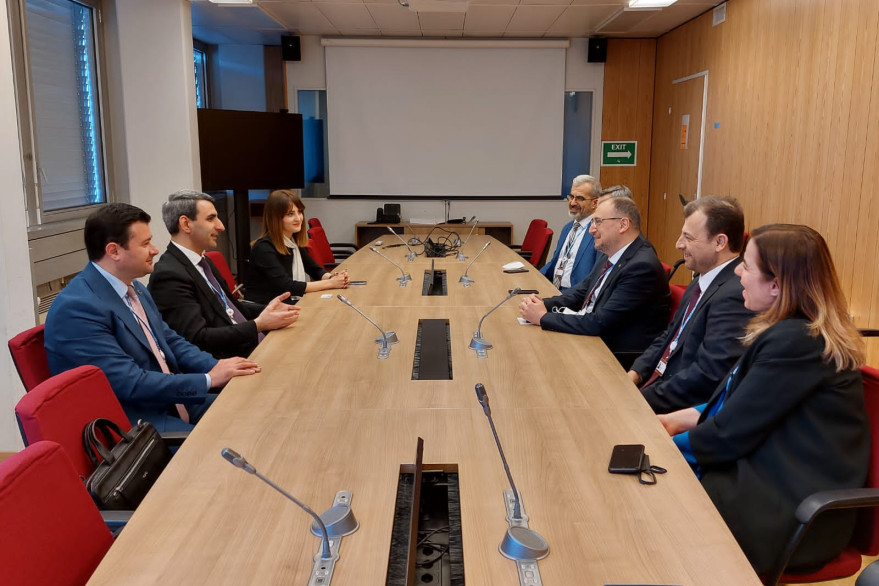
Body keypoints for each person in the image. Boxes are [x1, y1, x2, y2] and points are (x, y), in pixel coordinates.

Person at [659, 224, 869, 574]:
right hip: (771, 478)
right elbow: (737, 404)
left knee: (651, 503)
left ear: (776, 284)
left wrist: (656, 447)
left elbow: (727, 434)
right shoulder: (791, 331)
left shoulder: (795, 341)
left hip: (790, 512)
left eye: (747, 266)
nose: (738, 272)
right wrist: (675, 421)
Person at [44, 203, 261, 432]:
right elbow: (131, 383)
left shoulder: (135, 287)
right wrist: (208, 379)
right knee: (236, 440)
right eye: (146, 243)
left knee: (253, 412)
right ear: (114, 251)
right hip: (138, 424)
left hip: (172, 403)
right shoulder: (78, 309)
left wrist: (219, 367)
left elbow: (171, 341)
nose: (155, 250)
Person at [629, 196, 754, 413]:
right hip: (655, 386)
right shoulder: (701, 279)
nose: (678, 244)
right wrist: (635, 373)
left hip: (676, 409)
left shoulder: (735, 295)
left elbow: (707, 376)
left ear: (719, 242)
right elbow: (670, 336)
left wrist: (638, 401)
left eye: (688, 237)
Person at [148, 190, 300, 359]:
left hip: (250, 346)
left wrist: (272, 311)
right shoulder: (169, 275)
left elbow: (231, 308)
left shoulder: (204, 262)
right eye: (211, 218)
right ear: (185, 224)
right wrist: (258, 325)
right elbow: (198, 338)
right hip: (231, 362)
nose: (221, 226)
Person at [519, 196, 670, 363]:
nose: (591, 230)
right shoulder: (612, 252)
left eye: (598, 222)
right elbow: (581, 291)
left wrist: (542, 317)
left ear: (623, 225)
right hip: (593, 340)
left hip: (614, 356)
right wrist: (543, 305)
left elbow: (600, 323)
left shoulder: (641, 267)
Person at [245, 189, 349, 305]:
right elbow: (287, 286)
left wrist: (334, 278)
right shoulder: (263, 248)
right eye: (290, 214)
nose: (298, 218)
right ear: (276, 218)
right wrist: (331, 283)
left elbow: (315, 270)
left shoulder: (293, 243)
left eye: (299, 212)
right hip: (266, 310)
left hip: (288, 304)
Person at [539, 175, 602, 291]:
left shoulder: (599, 231)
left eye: (580, 198)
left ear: (595, 203)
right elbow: (555, 262)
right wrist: (535, 277)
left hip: (575, 295)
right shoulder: (568, 228)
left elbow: (597, 275)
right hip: (554, 289)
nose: (572, 203)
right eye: (571, 197)